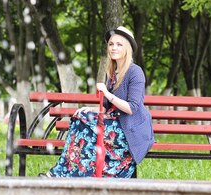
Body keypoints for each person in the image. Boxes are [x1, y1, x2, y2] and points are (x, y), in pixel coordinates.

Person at [43, 26, 154, 178]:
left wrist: (107, 93)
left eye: (119, 44)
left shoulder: (135, 72)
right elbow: (108, 108)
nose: (114, 47)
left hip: (130, 131)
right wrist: (90, 109)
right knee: (79, 118)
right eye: (111, 44)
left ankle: (64, 173)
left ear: (127, 48)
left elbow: (132, 108)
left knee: (85, 123)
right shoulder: (113, 73)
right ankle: (71, 172)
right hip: (115, 124)